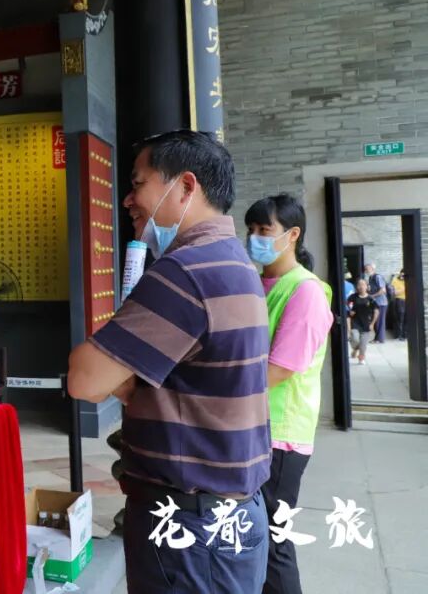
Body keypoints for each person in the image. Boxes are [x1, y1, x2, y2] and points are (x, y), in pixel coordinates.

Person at [66, 130, 270, 594]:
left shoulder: (185, 271)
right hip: (229, 514)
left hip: (188, 526)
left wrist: (122, 375)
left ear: (185, 186)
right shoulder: (233, 261)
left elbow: (85, 379)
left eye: (138, 183)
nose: (127, 200)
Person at [245, 194, 333, 594]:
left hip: (280, 436)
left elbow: (279, 369)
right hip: (253, 427)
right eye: (250, 229)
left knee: (274, 543)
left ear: (293, 234)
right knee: (253, 538)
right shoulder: (257, 283)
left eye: (265, 230)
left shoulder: (305, 291)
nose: (255, 238)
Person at [347, 279, 378, 365]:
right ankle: (355, 349)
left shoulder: (371, 299)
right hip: (355, 323)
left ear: (367, 287)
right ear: (357, 287)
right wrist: (350, 311)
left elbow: (376, 311)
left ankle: (361, 358)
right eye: (359, 285)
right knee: (355, 339)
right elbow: (347, 309)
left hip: (366, 325)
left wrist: (372, 324)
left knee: (363, 344)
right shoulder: (352, 297)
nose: (361, 287)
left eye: (363, 285)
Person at [365, 263, 389, 343]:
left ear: (372, 269)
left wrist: (372, 296)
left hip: (381, 302)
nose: (366, 271)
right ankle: (377, 338)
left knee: (380, 321)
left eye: (367, 269)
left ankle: (380, 339)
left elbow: (383, 290)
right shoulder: (370, 278)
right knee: (376, 321)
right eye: (365, 269)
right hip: (375, 303)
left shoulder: (378, 277)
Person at [392, 269, 407, 341]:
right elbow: (395, 293)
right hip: (400, 300)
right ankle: (399, 335)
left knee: (407, 318)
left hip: (409, 301)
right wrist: (405, 288)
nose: (402, 276)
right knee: (400, 318)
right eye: (402, 274)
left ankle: (405, 335)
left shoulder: (407, 280)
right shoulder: (395, 280)